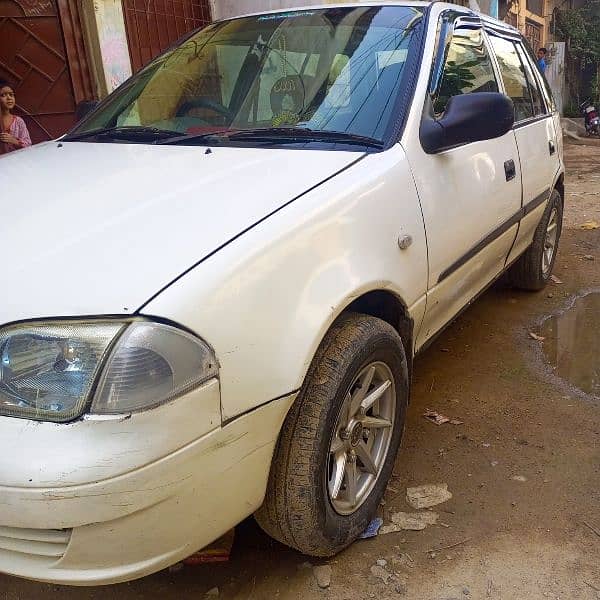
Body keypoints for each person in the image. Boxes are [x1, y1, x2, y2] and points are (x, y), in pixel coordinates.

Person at [0, 79, 32, 154]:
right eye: (3, 95)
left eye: (11, 94)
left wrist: (14, 141)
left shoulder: (18, 121)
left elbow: (29, 144)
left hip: (15, 161)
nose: (9, 98)